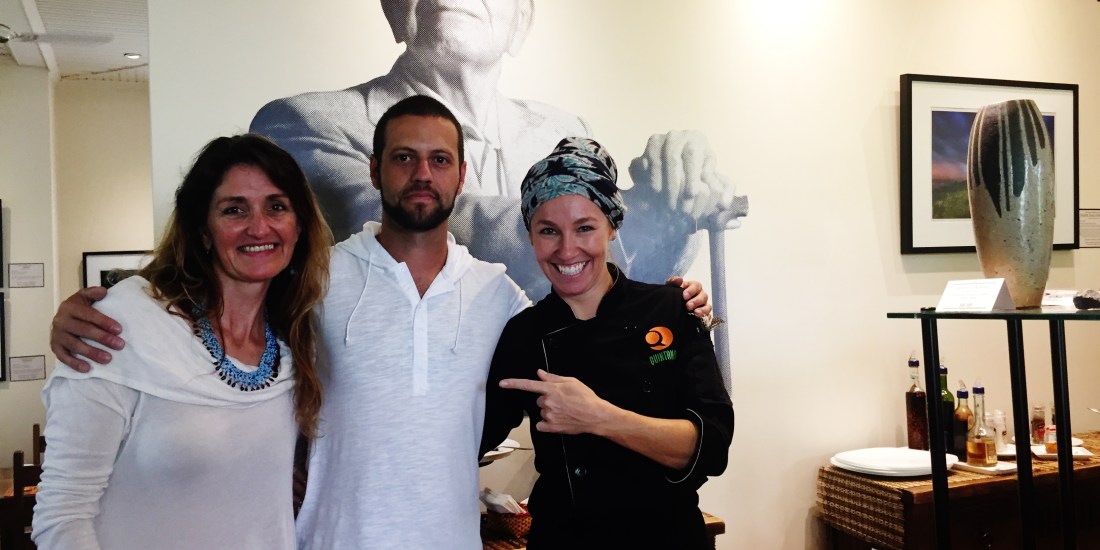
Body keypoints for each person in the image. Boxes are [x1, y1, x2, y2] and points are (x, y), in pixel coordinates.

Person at [49, 96, 713, 549]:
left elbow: (588, 324)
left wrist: (677, 303)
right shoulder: (312, 278)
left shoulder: (499, 296)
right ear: (375, 169)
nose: (422, 174)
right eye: (403, 157)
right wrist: (83, 313)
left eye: (439, 159)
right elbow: (215, 307)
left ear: (460, 176)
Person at [251, 0, 747, 300]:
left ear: (520, 22)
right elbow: (413, 230)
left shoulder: (563, 131)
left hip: (547, 418)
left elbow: (622, 277)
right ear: (393, 8)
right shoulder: (303, 124)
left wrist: (676, 200)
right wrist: (628, 211)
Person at [33, 134, 333, 549]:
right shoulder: (122, 325)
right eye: (234, 209)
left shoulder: (298, 335)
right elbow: (63, 513)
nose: (259, 227)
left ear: (298, 226)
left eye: (276, 207)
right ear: (203, 231)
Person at [480, 137, 734, 549]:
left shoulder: (672, 308)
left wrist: (598, 417)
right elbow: (475, 434)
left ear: (612, 226)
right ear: (530, 236)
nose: (567, 250)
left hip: (667, 539)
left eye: (585, 227)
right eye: (548, 231)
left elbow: (713, 448)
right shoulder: (523, 333)